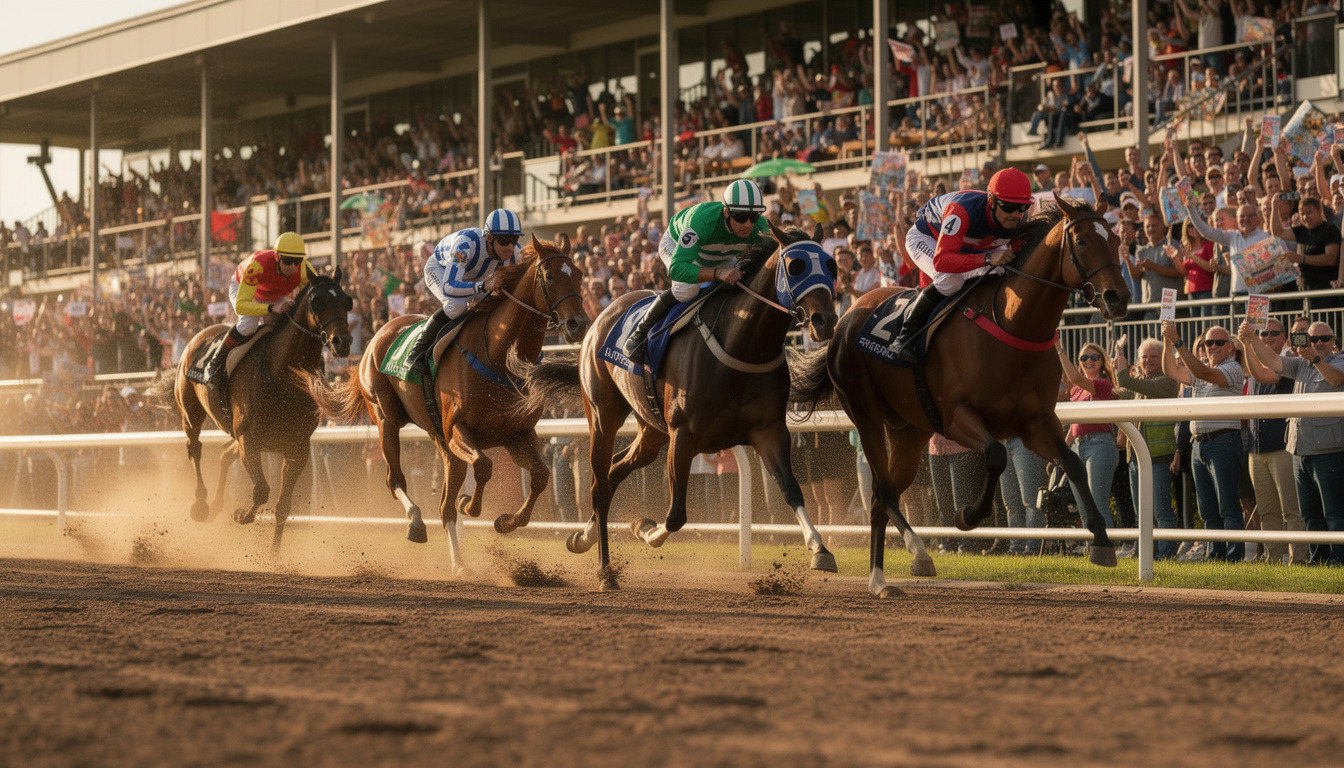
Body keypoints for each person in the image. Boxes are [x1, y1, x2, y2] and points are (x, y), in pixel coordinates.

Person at [890, 167, 1032, 362]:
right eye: (1008, 207)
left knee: (1005, 270)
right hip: (928, 238)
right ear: (991, 200)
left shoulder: (1020, 220)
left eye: (1022, 207)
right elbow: (942, 261)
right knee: (950, 279)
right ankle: (905, 336)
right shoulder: (961, 210)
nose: (1016, 215)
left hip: (970, 245)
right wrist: (988, 259)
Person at [624, 179, 768, 365]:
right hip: (677, 246)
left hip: (721, 255)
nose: (748, 224)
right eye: (740, 217)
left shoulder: (761, 226)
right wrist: (718, 274)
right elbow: (677, 269)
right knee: (687, 290)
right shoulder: (701, 221)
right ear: (726, 211)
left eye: (754, 216)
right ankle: (639, 334)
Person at [1241, 320, 1344, 565]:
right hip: (1299, 450)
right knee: (1310, 513)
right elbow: (1272, 361)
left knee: (1334, 511)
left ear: (1333, 342)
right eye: (1312, 339)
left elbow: (1337, 380)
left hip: (1329, 450)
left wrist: (1315, 359)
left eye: (1324, 339)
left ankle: (1339, 561)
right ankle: (1319, 561)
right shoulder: (1299, 364)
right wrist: (1252, 339)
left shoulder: (1338, 360)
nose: (1318, 343)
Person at [1161, 322, 1247, 562]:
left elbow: (1202, 373)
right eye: (1209, 342)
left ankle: (1233, 558)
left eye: (1220, 342)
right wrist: (1168, 341)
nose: (1214, 346)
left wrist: (1177, 341)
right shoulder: (1201, 368)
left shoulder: (1233, 368)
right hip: (1199, 444)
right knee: (1208, 509)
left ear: (1230, 347)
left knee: (1228, 506)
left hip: (1223, 441)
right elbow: (1170, 370)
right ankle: (1215, 555)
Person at [408, 208, 524, 377]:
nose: (510, 247)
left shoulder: (514, 251)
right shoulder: (465, 245)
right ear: (489, 238)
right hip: (441, 271)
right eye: (505, 240)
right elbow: (449, 286)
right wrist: (484, 286)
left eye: (514, 240)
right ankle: (416, 351)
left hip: (472, 278)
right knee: (457, 305)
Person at [1237, 319, 1309, 564]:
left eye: (1273, 333)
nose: (1267, 336)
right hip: (1256, 448)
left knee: (1290, 509)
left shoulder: (1290, 362)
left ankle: (1298, 559)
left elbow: (1263, 373)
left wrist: (1249, 340)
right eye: (1263, 332)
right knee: (1267, 510)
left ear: (1285, 338)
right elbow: (1255, 370)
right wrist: (1248, 343)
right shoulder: (1256, 361)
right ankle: (1273, 558)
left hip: (1282, 447)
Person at [207, 231, 315, 384]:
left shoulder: (304, 268)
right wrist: (271, 308)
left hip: (273, 294)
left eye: (297, 261)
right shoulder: (256, 265)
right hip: (244, 289)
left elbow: (316, 292)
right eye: (288, 260)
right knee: (249, 324)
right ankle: (216, 362)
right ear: (277, 257)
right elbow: (241, 306)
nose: (293, 266)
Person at [1114, 337, 1181, 559]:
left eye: (1154, 356)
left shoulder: (1167, 381)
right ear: (1139, 361)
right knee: (1142, 513)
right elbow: (1116, 389)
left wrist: (1120, 356)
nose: (1149, 360)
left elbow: (1124, 381)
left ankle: (1165, 558)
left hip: (1160, 457)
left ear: (1163, 359)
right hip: (1136, 459)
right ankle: (1146, 556)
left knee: (1161, 512)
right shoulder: (1141, 384)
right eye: (1145, 357)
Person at [1055, 340, 1119, 532]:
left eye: (1094, 357)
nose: (1088, 361)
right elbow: (1075, 426)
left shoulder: (1103, 384)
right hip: (1078, 446)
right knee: (1083, 508)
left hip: (1100, 444)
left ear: (1101, 361)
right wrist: (1061, 451)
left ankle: (1108, 549)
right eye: (1084, 358)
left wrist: (1059, 348)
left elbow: (1075, 378)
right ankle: (1092, 549)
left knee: (1097, 506)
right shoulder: (1076, 390)